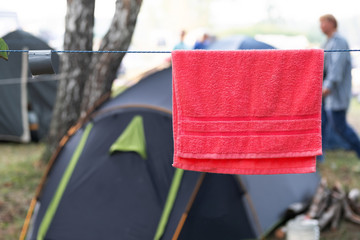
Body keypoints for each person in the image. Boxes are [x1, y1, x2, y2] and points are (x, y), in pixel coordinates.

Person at [319, 14, 360, 159]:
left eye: (323, 22)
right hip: (326, 95)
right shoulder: (327, 42)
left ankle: (359, 149)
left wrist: (328, 86)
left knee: (340, 126)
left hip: (335, 94)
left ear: (331, 23)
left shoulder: (339, 42)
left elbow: (336, 68)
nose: (321, 26)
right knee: (322, 124)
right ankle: (319, 156)